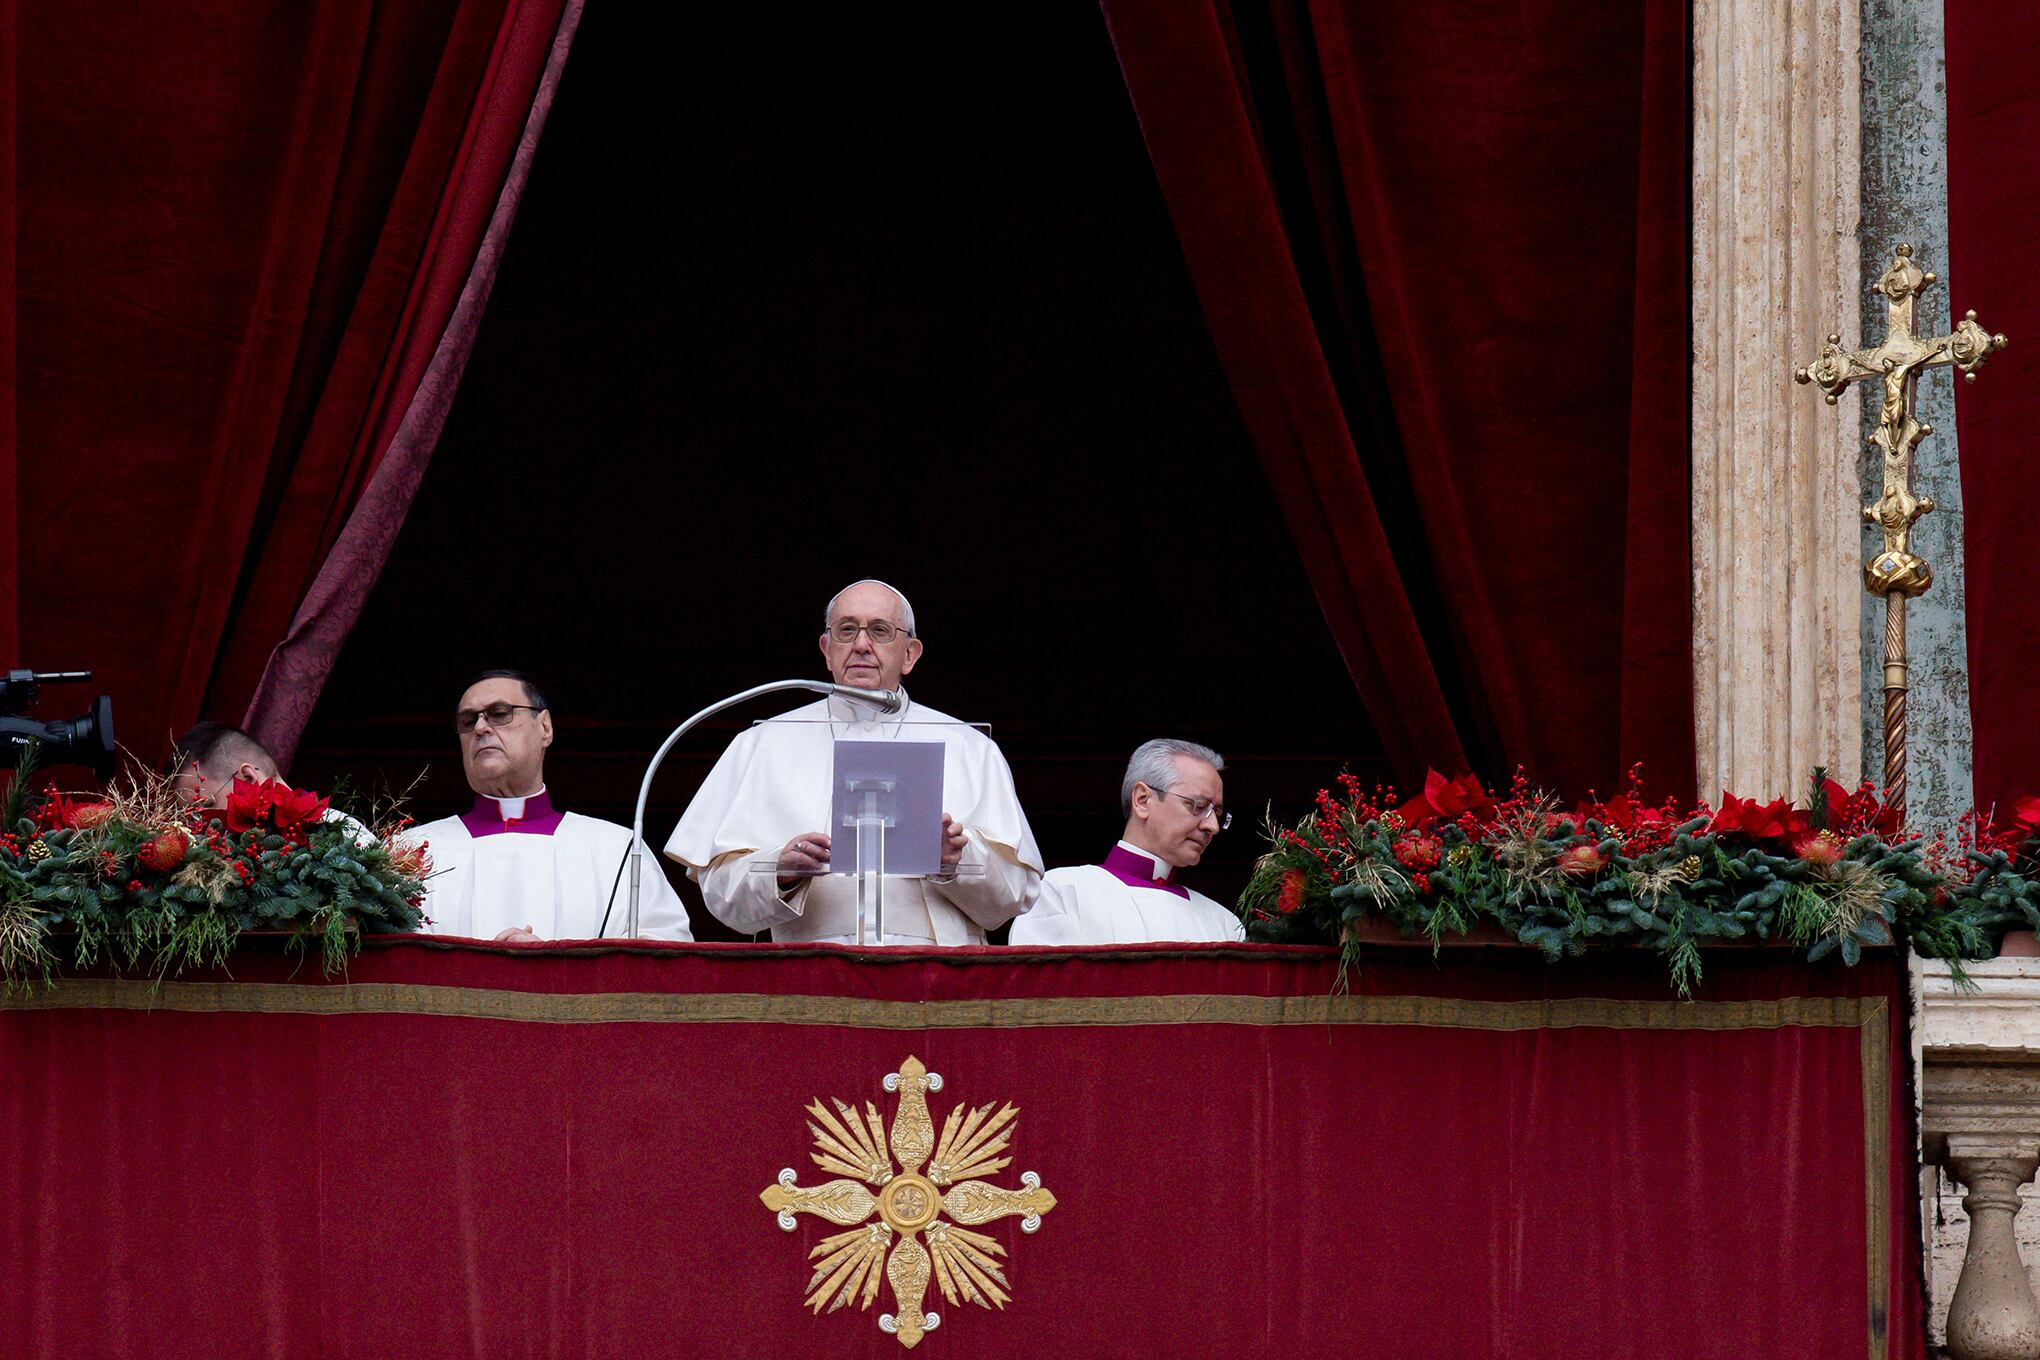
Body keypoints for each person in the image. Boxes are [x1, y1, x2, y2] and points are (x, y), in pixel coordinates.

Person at [666, 580, 1041, 945]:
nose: (861, 644)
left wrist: (955, 860)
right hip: (810, 979)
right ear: (827, 649)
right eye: (847, 631)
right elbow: (721, 898)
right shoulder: (763, 743)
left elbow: (1013, 899)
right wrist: (780, 872)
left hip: (935, 978)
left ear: (910, 654)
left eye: (880, 631)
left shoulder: (970, 747)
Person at [410, 670, 692, 943]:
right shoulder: (411, 852)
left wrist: (556, 969)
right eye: (468, 720)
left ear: (545, 727)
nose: (481, 727)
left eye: (499, 714)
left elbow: (666, 955)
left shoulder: (618, 850)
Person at [1009, 738, 1245, 945]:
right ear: (1143, 800)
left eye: (1218, 813)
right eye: (1198, 806)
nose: (1212, 826)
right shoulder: (1060, 894)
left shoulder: (1223, 923)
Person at [167, 720, 374, 843]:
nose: (200, 829)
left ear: (248, 778)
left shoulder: (340, 838)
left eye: (206, 806)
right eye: (192, 819)